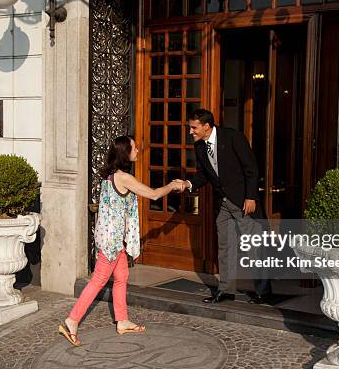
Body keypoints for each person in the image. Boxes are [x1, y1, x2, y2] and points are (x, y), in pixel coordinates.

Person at [59, 135, 184, 346]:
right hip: (112, 241)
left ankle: (122, 320)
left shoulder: (110, 176)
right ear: (125, 153)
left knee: (122, 276)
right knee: (99, 280)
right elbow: (153, 195)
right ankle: (72, 320)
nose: (138, 150)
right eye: (134, 148)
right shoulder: (123, 177)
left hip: (113, 238)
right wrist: (172, 185)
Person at [178, 109, 273, 304]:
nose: (191, 132)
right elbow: (203, 175)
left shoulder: (233, 137)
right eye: (190, 127)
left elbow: (251, 168)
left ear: (206, 126)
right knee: (224, 248)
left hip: (243, 203)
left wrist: (251, 197)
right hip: (222, 204)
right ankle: (225, 289)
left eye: (193, 127)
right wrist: (189, 184)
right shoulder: (199, 147)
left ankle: (264, 291)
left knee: (254, 247)